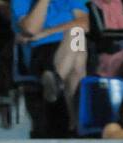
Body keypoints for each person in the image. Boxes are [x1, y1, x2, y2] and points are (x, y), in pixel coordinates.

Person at [12, 0, 90, 133]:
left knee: (76, 34)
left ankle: (56, 80)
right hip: (40, 51)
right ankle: (76, 126)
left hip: (68, 44)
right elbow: (31, 29)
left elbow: (84, 24)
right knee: (78, 62)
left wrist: (47, 32)